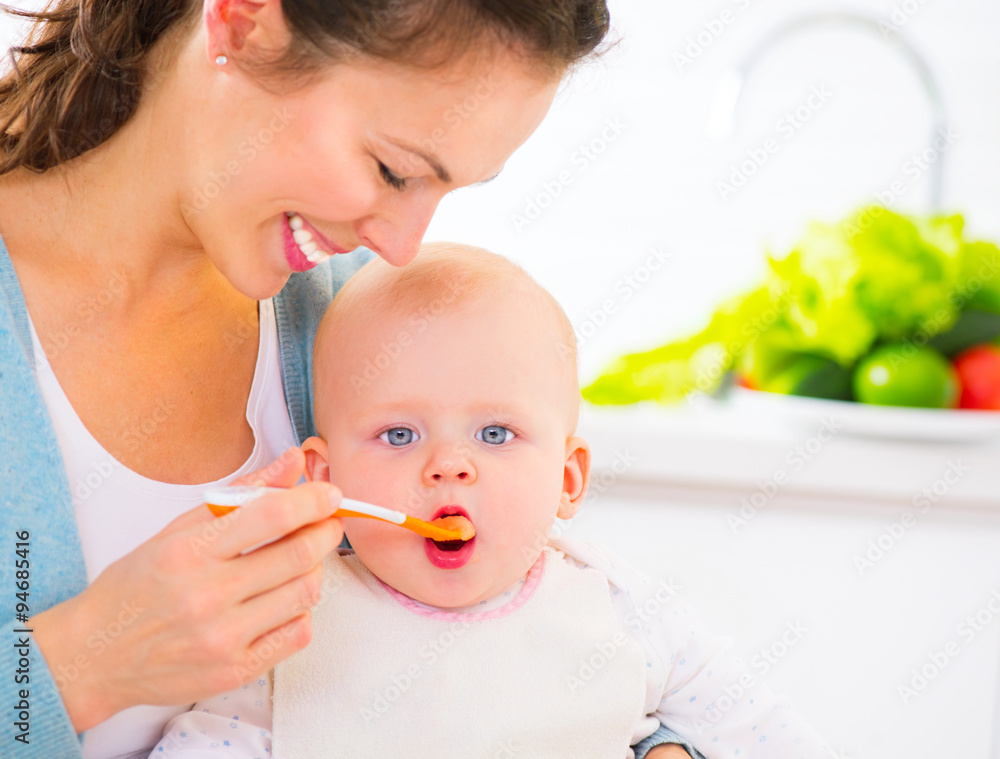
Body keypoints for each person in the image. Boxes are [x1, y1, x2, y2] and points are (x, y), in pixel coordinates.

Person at [0, 1, 695, 757]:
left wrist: (662, 746)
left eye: (447, 190)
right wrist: (81, 665)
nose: (401, 245)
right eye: (392, 169)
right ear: (243, 21)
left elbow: (531, 661)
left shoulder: (361, 327)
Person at [153, 244, 831, 757]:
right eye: (399, 433)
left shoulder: (630, 613)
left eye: (495, 432)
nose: (449, 464)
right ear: (323, 476)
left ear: (568, 481)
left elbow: (775, 737)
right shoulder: (287, 627)